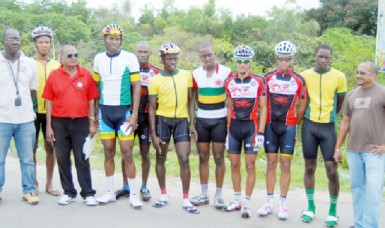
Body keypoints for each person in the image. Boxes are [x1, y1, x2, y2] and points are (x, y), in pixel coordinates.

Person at [93, 24, 143, 208]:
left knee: (127, 153)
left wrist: (134, 115)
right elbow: (96, 89)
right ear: (105, 39)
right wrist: (93, 117)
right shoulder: (98, 59)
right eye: (110, 38)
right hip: (104, 112)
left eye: (117, 39)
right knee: (108, 153)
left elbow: (137, 86)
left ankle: (134, 194)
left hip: (124, 113)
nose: (113, 42)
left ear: (120, 40)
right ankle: (109, 192)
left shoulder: (130, 58)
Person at [43, 45, 98, 206]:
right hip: (59, 123)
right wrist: (49, 126)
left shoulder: (85, 74)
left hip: (81, 122)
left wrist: (92, 121)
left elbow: (91, 99)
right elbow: (49, 102)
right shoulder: (54, 76)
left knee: (82, 158)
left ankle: (88, 193)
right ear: (61, 59)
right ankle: (68, 192)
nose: (73, 57)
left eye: (75, 54)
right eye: (69, 55)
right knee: (62, 158)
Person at [257, 41, 307, 219]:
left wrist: (293, 123)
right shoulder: (268, 77)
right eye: (280, 58)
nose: (283, 62)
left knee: (285, 165)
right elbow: (262, 104)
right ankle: (269, 201)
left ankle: (283, 204)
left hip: (288, 127)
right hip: (270, 125)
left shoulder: (299, 79)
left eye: (286, 58)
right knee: (271, 163)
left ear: (292, 59)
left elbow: (302, 107)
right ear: (276, 58)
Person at [148, 43, 199, 214]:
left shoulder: (186, 75)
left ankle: (185, 199)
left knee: (184, 159)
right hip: (163, 119)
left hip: (182, 121)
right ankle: (163, 195)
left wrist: (192, 123)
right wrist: (153, 134)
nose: (173, 61)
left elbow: (192, 100)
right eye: (169, 58)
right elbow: (152, 109)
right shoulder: (155, 80)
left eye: (175, 58)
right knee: (160, 157)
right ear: (162, 59)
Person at [334, 61, 385, 228]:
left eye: (362, 73)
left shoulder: (382, 92)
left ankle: (370, 225)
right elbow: (345, 123)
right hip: (353, 150)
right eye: (357, 72)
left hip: (375, 151)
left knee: (373, 190)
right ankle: (359, 224)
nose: (358, 75)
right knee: (357, 189)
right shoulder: (351, 95)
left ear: (373, 75)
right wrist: (337, 147)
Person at [300, 44, 347, 227]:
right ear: (315, 56)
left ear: (331, 59)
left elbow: (340, 101)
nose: (323, 60)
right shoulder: (304, 75)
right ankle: (310, 208)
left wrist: (331, 117)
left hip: (328, 127)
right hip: (309, 126)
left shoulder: (339, 76)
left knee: (331, 170)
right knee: (309, 168)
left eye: (327, 57)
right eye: (321, 56)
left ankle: (333, 212)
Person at [224, 45, 267, 218]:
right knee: (234, 165)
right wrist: (228, 131)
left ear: (250, 62)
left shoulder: (259, 81)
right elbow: (229, 107)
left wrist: (261, 133)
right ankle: (236, 200)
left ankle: (247, 203)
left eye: (246, 61)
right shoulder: (229, 82)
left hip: (251, 127)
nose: (242, 65)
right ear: (235, 61)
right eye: (240, 61)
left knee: (250, 165)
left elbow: (264, 108)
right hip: (234, 127)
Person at [115, 41, 160, 201]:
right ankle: (126, 186)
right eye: (140, 51)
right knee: (126, 152)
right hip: (129, 116)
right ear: (136, 53)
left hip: (146, 118)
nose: (142, 54)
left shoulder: (156, 72)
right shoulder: (128, 70)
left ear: (150, 53)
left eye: (145, 52)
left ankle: (144, 186)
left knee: (145, 153)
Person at [189, 42, 231, 209]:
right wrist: (192, 123)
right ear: (200, 57)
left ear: (215, 54)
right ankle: (204, 194)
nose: (207, 58)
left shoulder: (227, 72)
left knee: (219, 158)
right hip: (202, 120)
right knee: (203, 157)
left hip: (220, 119)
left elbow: (232, 98)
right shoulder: (196, 73)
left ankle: (219, 196)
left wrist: (229, 122)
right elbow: (192, 100)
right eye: (204, 55)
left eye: (210, 55)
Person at [0, 28, 39, 205]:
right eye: (11, 39)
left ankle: (29, 190)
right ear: (3, 42)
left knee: (27, 159)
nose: (15, 42)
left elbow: (32, 90)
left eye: (18, 39)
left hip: (25, 120)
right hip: (2, 119)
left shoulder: (29, 63)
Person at [31, 26, 60, 196]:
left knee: (51, 147)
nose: (44, 45)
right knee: (32, 148)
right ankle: (33, 182)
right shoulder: (28, 63)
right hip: (33, 111)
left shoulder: (57, 65)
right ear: (35, 44)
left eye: (47, 42)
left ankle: (49, 183)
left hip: (53, 112)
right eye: (41, 42)